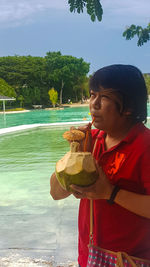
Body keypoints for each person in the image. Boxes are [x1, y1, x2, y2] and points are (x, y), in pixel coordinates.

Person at [50, 64, 150, 266]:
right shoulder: (90, 141)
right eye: (92, 95)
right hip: (90, 257)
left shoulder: (144, 146)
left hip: (129, 260)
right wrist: (75, 155)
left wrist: (111, 193)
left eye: (103, 97)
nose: (93, 104)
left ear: (129, 106)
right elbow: (55, 193)